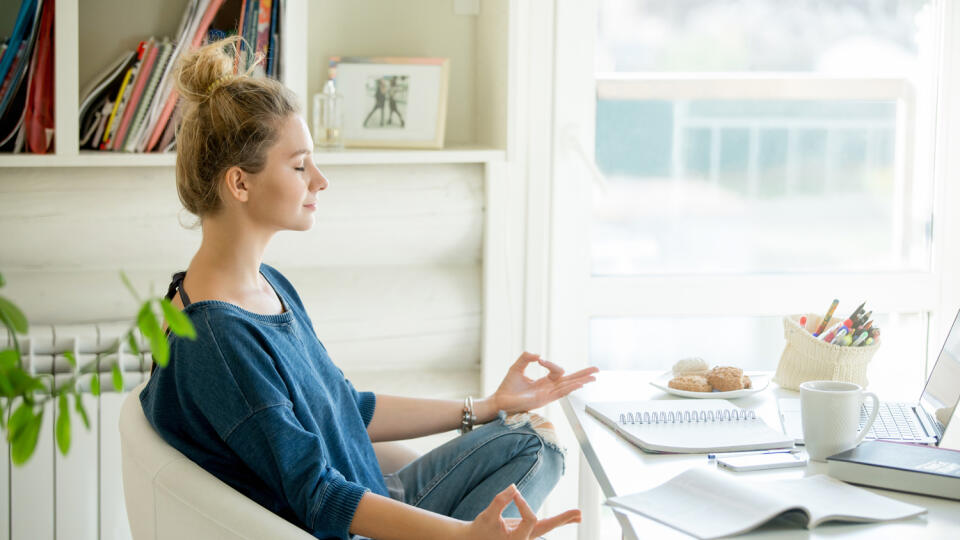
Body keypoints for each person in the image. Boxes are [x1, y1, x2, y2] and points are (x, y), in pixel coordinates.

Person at [139, 36, 598, 540]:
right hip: (355, 525)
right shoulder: (219, 339)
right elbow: (318, 495)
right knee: (540, 452)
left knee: (530, 439)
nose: (320, 180)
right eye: (299, 166)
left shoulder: (262, 286)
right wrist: (464, 537)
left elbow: (347, 409)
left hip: (377, 490)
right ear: (239, 184)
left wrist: (485, 406)